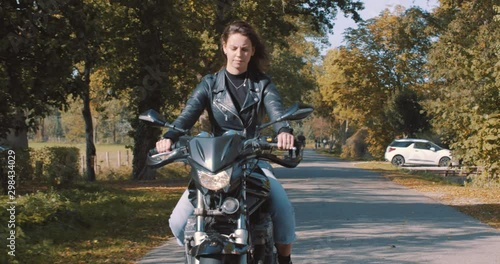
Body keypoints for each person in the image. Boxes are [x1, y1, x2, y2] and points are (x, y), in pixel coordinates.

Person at [155, 20, 295, 264]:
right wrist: (169, 137)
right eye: (234, 48)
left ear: (252, 51)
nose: (238, 54)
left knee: (282, 208)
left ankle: (285, 260)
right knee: (177, 222)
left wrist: (284, 130)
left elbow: (276, 110)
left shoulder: (263, 84)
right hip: (217, 162)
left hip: (252, 159)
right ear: (224, 47)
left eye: (244, 49)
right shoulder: (210, 84)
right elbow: (187, 115)